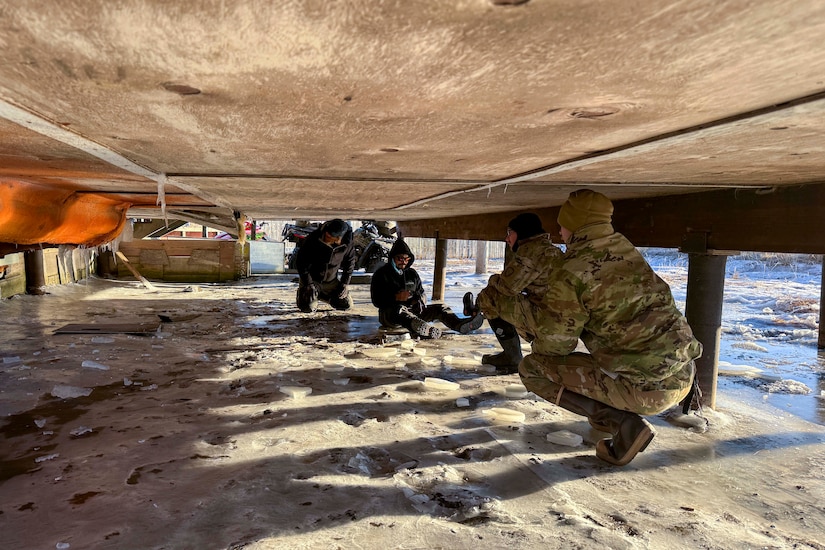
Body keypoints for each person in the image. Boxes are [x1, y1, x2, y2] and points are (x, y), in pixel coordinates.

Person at [517, 189, 702, 466]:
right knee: (612, 355)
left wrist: (529, 323)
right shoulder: (626, 251)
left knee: (532, 368)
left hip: (646, 391)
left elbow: (557, 344)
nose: (559, 231)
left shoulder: (572, 269)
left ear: (575, 226)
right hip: (683, 376)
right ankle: (611, 417)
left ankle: (625, 425)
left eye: (563, 224)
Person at [465, 212, 563, 373]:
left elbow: (507, 287)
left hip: (548, 324)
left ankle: (511, 356)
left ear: (522, 232)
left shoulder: (531, 252)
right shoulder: (551, 250)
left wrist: (492, 279)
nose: (507, 238)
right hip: (563, 323)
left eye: (510, 232)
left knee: (489, 296)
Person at [370, 238, 484, 339]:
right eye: (400, 259)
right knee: (399, 309)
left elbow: (421, 292)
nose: (404, 262)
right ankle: (423, 329)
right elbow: (376, 300)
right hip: (391, 315)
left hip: (414, 311)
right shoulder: (381, 274)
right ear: (392, 258)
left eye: (406, 259)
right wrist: (395, 297)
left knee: (440, 307)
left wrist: (419, 300)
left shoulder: (412, 274)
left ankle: (459, 324)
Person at [295, 219, 357, 313]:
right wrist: (308, 283)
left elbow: (350, 263)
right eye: (327, 234)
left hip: (331, 281)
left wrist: (345, 283)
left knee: (346, 305)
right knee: (308, 308)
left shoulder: (347, 244)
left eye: (330, 237)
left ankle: (321, 296)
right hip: (312, 280)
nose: (326, 237)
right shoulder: (313, 239)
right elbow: (301, 263)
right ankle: (309, 295)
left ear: (339, 239)